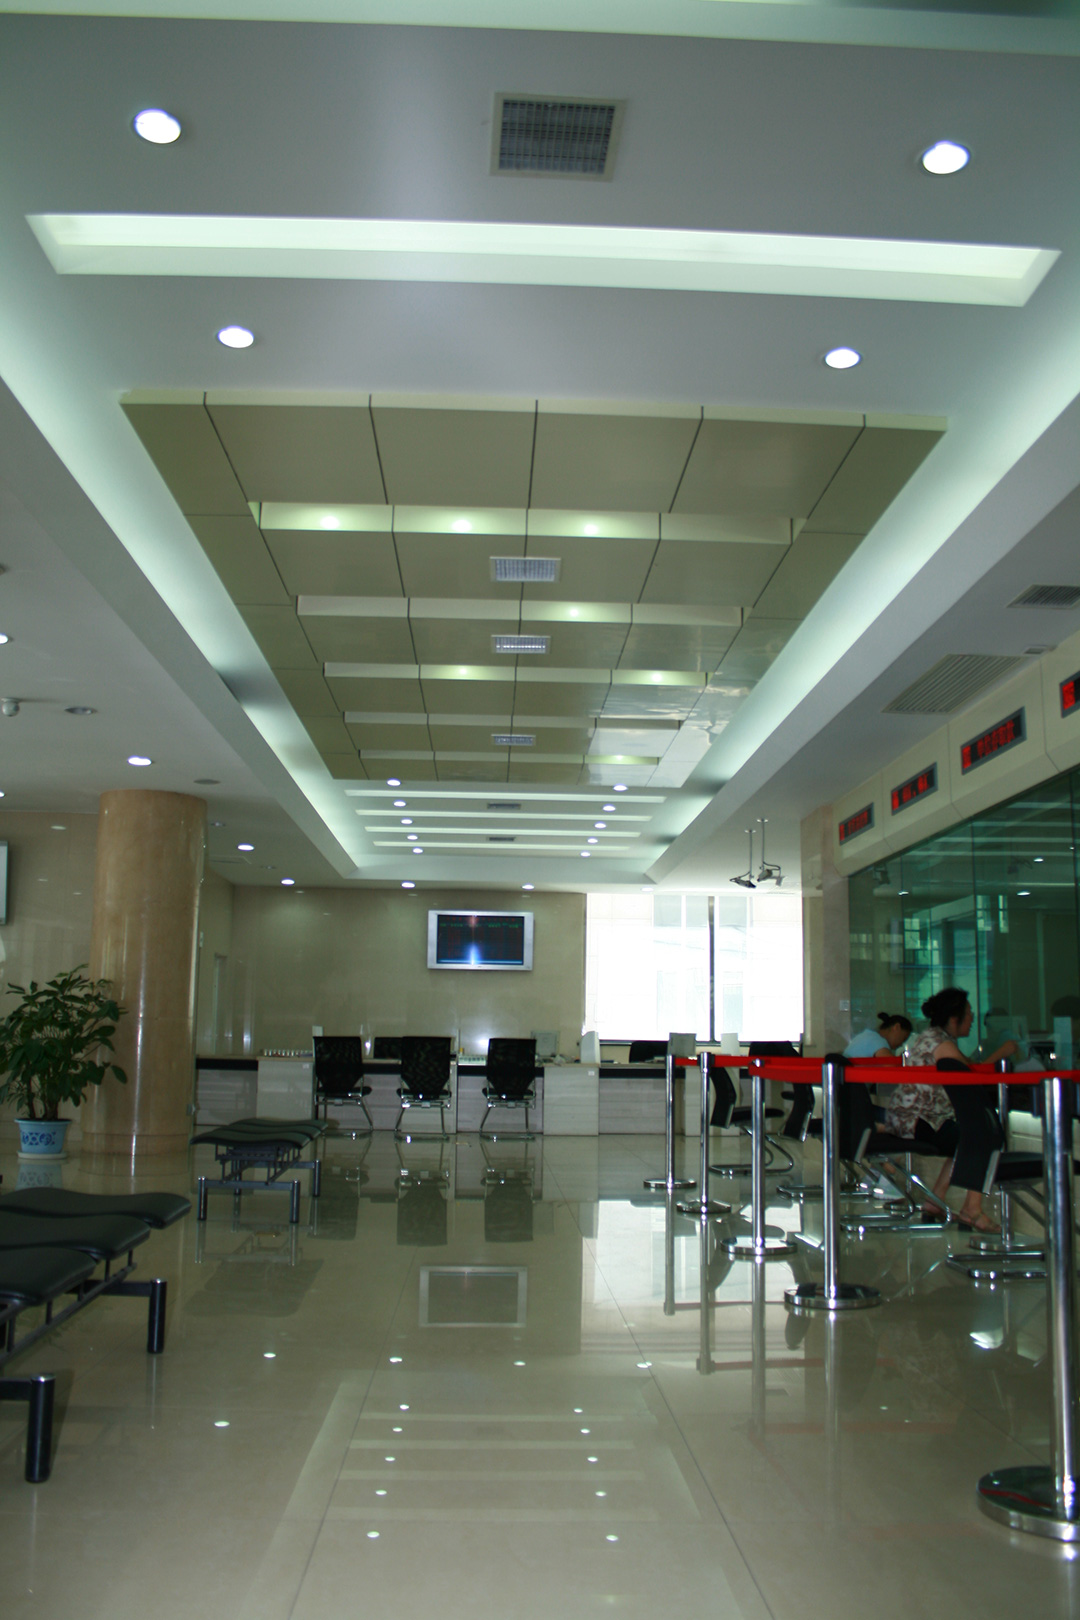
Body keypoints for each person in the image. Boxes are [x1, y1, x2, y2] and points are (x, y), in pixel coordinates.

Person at [886, 986, 1017, 1232]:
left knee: (963, 1138)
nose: (973, 1018)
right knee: (980, 1137)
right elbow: (971, 1074)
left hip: (909, 1118)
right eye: (969, 1013)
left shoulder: (933, 1037)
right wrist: (1002, 1053)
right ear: (955, 1018)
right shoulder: (941, 1043)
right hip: (918, 1121)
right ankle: (972, 1210)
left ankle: (934, 1202)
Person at [844, 1012, 911, 1060]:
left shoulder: (869, 1035)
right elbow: (891, 1065)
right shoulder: (876, 1040)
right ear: (896, 1027)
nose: (901, 1044)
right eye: (903, 1039)